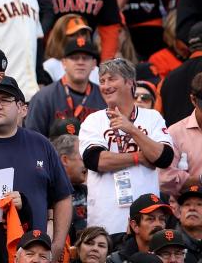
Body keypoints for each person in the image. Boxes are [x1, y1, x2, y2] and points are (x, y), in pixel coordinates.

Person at [0, 75, 74, 262]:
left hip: (34, 253)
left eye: (5, 100)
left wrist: (58, 244)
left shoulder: (41, 144)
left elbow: (62, 196)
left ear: (23, 109)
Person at [79, 58, 174, 235]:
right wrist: (139, 157)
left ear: (130, 82)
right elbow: (96, 160)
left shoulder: (152, 117)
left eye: (111, 79)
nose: (106, 85)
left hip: (146, 220)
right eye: (102, 81)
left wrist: (130, 129)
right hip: (105, 222)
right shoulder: (93, 121)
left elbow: (164, 157)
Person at [26, 36, 105, 135]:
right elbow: (33, 139)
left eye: (85, 58)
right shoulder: (43, 98)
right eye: (74, 58)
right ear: (64, 63)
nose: (80, 62)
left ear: (94, 64)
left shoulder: (105, 97)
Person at [159, 72, 202, 197]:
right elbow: (165, 180)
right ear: (193, 100)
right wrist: (199, 180)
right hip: (189, 209)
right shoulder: (175, 133)